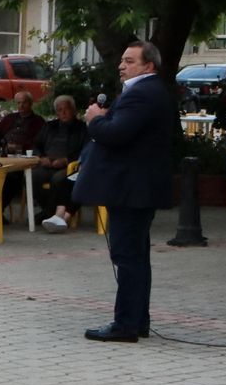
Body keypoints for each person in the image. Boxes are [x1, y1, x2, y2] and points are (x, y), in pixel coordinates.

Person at [75, 41, 175, 343]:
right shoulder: (151, 91)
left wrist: (95, 119)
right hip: (137, 187)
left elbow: (116, 134)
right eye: (122, 60)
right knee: (136, 256)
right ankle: (137, 320)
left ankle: (126, 325)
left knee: (127, 256)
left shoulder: (143, 93)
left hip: (131, 189)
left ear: (149, 66)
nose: (122, 65)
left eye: (130, 61)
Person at [36, 95, 92, 231]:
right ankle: (49, 212)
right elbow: (37, 144)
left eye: (66, 109)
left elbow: (85, 150)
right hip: (48, 163)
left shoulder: (82, 129)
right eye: (60, 110)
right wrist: (41, 157)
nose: (63, 113)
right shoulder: (49, 126)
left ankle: (52, 215)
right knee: (34, 176)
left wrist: (66, 160)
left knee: (59, 179)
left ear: (74, 110)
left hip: (69, 165)